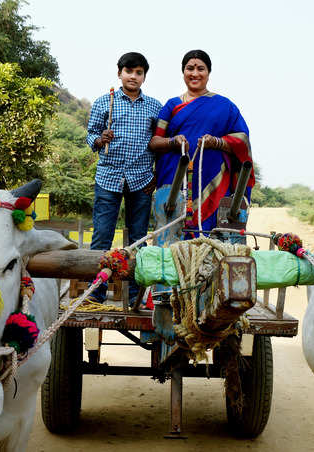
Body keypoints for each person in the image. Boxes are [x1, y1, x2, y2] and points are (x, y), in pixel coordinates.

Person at [149, 49, 254, 236]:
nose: (195, 73)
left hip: (212, 180)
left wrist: (218, 142)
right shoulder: (171, 105)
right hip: (174, 180)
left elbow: (242, 141)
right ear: (183, 72)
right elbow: (155, 142)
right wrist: (173, 141)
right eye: (190, 68)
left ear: (208, 73)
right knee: (173, 237)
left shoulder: (225, 106)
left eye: (201, 69)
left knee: (211, 236)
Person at [86, 52, 162, 306]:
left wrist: (157, 174)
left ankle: (135, 295)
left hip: (141, 180)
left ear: (144, 77)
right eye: (129, 71)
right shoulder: (102, 102)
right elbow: (90, 136)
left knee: (138, 238)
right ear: (119, 73)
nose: (133, 76)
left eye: (139, 72)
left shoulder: (154, 106)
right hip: (108, 178)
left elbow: (159, 144)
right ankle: (96, 293)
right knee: (102, 237)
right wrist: (99, 140)